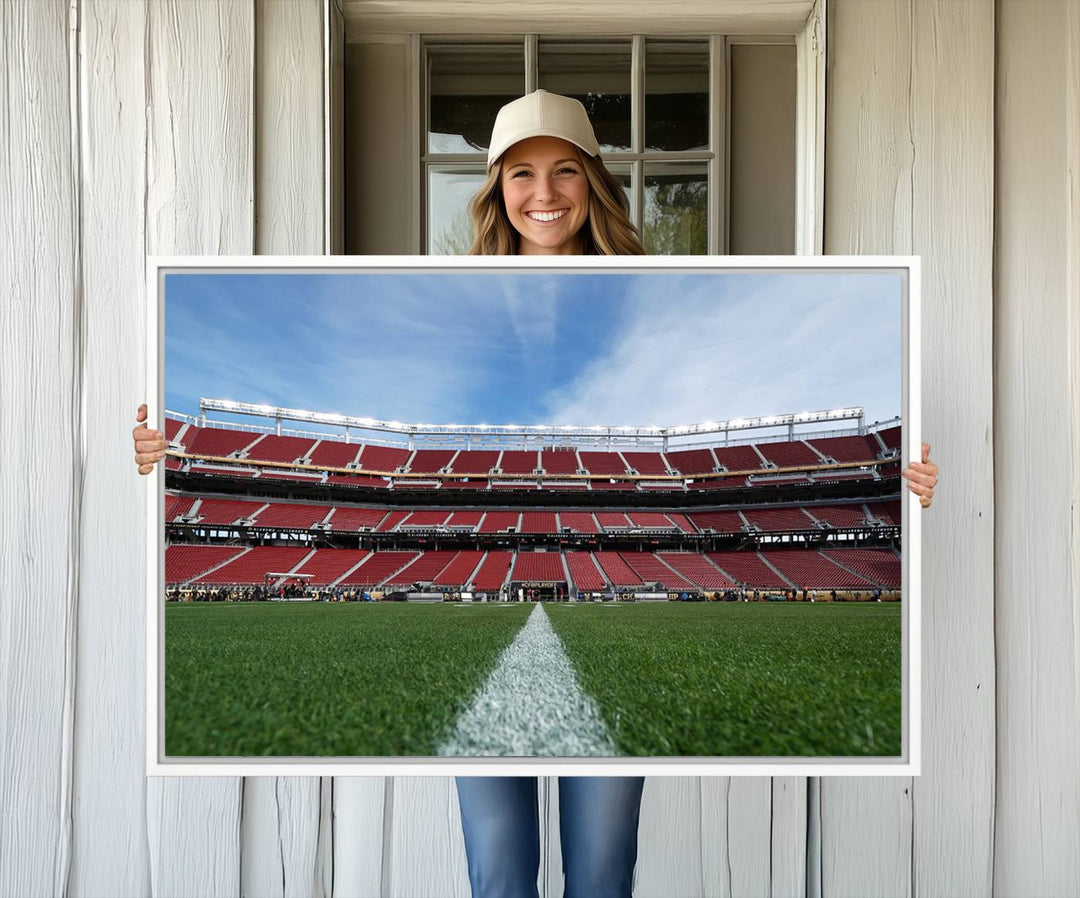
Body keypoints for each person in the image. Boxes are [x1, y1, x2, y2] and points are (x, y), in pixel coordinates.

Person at [130, 88, 940, 898]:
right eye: (521, 174)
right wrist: (162, 455)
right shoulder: (453, 294)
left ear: (593, 181)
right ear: (495, 189)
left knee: (601, 874)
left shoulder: (654, 291)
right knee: (499, 874)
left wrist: (894, 481)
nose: (544, 194)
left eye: (564, 172)